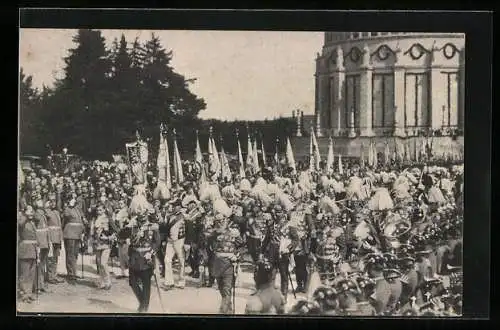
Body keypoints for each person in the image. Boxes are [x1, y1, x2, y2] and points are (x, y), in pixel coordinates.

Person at [208, 213, 245, 314]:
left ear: (226, 221)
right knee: (221, 289)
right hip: (217, 264)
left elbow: (242, 247)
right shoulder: (213, 234)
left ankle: (223, 312)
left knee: (226, 289)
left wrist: (236, 256)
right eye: (217, 221)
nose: (220, 223)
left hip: (229, 264)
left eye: (222, 221)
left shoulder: (234, 233)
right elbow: (208, 247)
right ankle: (228, 307)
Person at [127, 211, 161, 313]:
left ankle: (144, 307)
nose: (142, 217)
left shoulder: (153, 227)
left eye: (144, 215)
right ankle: (143, 302)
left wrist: (151, 252)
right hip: (134, 258)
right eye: (140, 215)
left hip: (147, 258)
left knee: (146, 284)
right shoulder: (133, 226)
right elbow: (123, 235)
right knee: (132, 282)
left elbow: (157, 242)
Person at [62, 197, 87, 284]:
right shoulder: (67, 209)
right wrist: (69, 206)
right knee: (70, 254)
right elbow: (66, 216)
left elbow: (82, 220)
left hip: (78, 234)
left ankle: (74, 272)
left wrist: (83, 228)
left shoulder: (78, 209)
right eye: (71, 199)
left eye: (74, 199)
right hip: (70, 234)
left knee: (75, 254)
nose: (74, 201)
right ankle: (71, 274)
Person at [162, 200, 186, 290]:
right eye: (173, 206)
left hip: (180, 240)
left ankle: (181, 281)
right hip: (170, 241)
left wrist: (187, 243)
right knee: (167, 260)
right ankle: (169, 282)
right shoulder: (170, 216)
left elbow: (189, 228)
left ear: (179, 206)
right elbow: (166, 228)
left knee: (181, 261)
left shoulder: (184, 216)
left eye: (176, 206)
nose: (174, 207)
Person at [18, 206, 38, 303]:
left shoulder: (32, 222)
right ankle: (24, 294)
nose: (32, 213)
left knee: (31, 274)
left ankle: (29, 293)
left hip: (33, 251)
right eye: (30, 211)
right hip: (25, 250)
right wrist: (25, 214)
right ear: (25, 213)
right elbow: (20, 224)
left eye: (32, 211)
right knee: (24, 274)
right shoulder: (22, 221)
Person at [92, 205, 114, 289]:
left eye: (100, 210)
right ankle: (102, 282)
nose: (99, 212)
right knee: (99, 264)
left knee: (103, 263)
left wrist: (108, 237)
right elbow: (93, 232)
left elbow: (116, 231)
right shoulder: (95, 220)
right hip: (97, 244)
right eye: (98, 210)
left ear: (104, 210)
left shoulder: (108, 219)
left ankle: (108, 282)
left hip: (106, 244)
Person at [45, 198, 65, 284]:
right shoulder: (47, 212)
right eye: (51, 202)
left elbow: (59, 226)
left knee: (55, 257)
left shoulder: (57, 212)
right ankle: (50, 276)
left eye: (54, 202)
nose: (53, 204)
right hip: (51, 238)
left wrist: (61, 239)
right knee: (50, 258)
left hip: (57, 238)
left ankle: (54, 274)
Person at [34, 199, 50, 293]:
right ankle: (37, 286)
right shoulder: (37, 214)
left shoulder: (43, 213)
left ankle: (41, 284)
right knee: (39, 264)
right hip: (40, 242)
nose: (42, 202)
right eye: (39, 201)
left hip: (45, 242)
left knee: (42, 264)